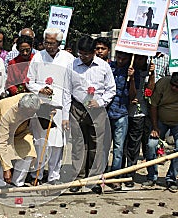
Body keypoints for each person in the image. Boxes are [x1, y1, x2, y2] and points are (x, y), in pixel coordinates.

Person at [62, 36, 116, 193]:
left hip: (97, 110)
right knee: (78, 145)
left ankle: (94, 179)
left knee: (96, 145)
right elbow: (66, 91)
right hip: (77, 108)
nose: (83, 57)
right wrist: (66, 116)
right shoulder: (71, 66)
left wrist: (100, 102)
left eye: (87, 54)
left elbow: (111, 89)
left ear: (94, 52)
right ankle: (78, 178)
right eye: (81, 54)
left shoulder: (103, 66)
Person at [27, 28, 74, 185]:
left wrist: (67, 113)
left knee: (57, 144)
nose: (48, 46)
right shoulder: (38, 57)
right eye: (46, 42)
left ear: (59, 43)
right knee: (40, 142)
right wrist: (39, 89)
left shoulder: (68, 59)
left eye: (52, 43)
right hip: (41, 107)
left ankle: (54, 176)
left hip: (60, 107)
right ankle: (37, 175)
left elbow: (72, 85)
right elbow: (29, 81)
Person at [0, 93, 40, 187]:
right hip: (2, 131)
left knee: (29, 151)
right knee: (0, 153)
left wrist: (50, 111)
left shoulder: (34, 101)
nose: (30, 115)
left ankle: (18, 182)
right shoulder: (7, 111)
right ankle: (0, 183)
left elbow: (45, 105)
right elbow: (1, 142)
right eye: (28, 113)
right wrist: (7, 169)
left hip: (21, 132)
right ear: (21, 108)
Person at [123, 55, 155, 186]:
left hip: (144, 113)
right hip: (130, 113)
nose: (138, 61)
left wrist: (152, 74)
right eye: (137, 58)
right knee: (129, 145)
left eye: (142, 59)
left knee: (142, 145)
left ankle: (142, 174)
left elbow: (151, 90)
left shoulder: (149, 69)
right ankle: (126, 172)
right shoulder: (128, 68)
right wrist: (130, 78)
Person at [107, 51, 134, 190]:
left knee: (118, 148)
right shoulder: (108, 67)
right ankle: (102, 175)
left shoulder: (131, 70)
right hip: (107, 111)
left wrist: (132, 78)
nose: (120, 61)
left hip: (122, 113)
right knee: (104, 147)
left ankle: (115, 177)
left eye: (124, 58)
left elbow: (133, 95)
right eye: (119, 57)